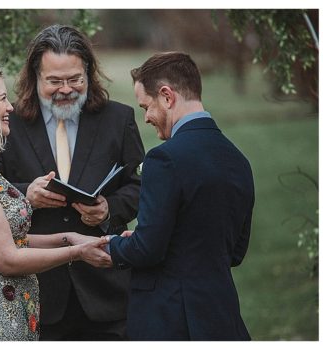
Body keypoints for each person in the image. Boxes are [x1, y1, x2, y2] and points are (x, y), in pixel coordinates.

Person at [0, 62, 111, 341]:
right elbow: (6, 259)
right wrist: (76, 254)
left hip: (6, 308)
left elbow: (8, 240)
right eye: (2, 99)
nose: (11, 108)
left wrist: (71, 238)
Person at [0, 24, 143, 340]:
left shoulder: (119, 119)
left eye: (75, 79)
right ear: (35, 77)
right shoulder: (8, 123)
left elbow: (140, 186)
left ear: (88, 73)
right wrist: (25, 194)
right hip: (37, 292)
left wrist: (109, 208)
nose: (66, 89)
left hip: (108, 290)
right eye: (54, 81)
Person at [105, 52, 254, 340]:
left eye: (146, 106)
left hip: (170, 321)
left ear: (167, 96)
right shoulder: (239, 159)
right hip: (221, 317)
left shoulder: (165, 159)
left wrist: (113, 246)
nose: (146, 117)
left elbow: (147, 250)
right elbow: (235, 252)